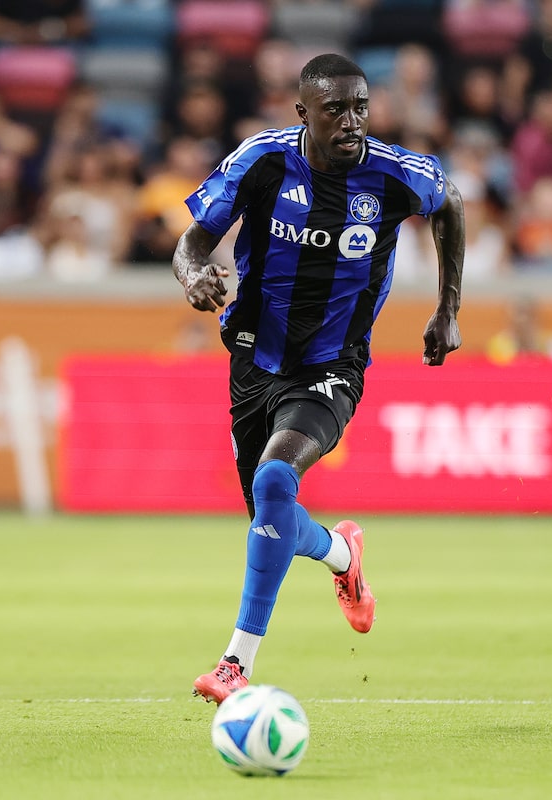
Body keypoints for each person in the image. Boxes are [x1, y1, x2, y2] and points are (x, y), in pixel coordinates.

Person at [174, 53, 465, 704]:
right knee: (269, 516)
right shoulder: (263, 161)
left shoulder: (395, 174)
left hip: (334, 364)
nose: (352, 121)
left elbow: (450, 204)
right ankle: (341, 553)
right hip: (253, 358)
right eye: (336, 109)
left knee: (275, 481)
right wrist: (193, 277)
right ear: (304, 113)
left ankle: (234, 664)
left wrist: (447, 308)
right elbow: (191, 242)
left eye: (361, 107)